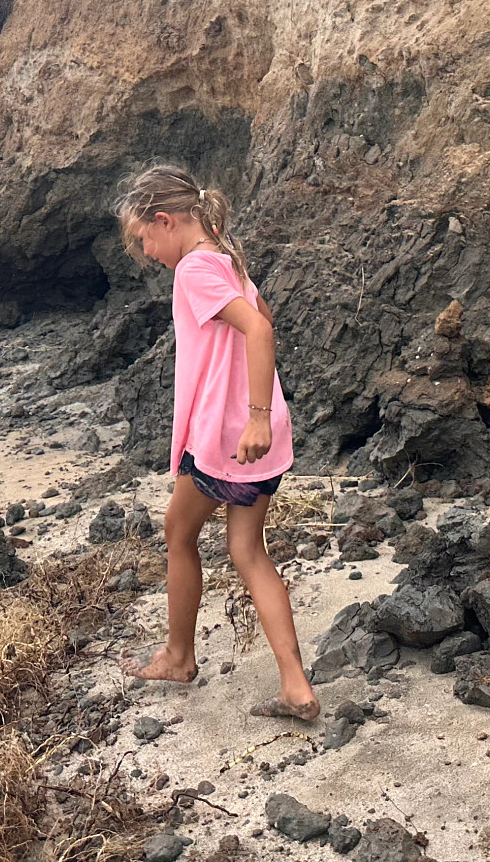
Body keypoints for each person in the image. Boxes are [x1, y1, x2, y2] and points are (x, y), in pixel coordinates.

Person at [115, 164, 318, 721]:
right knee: (249, 552)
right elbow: (263, 316)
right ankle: (295, 686)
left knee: (178, 533)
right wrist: (264, 418)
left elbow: (259, 329)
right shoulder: (228, 258)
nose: (148, 251)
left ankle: (179, 657)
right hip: (256, 435)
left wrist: (253, 417)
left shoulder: (195, 270)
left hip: (226, 435)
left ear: (164, 220)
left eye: (144, 239)